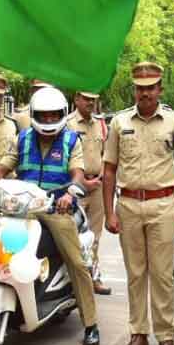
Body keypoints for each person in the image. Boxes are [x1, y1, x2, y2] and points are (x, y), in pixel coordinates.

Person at [0, 86, 101, 345]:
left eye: (53, 115)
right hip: (20, 208)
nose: (48, 120)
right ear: (35, 114)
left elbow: (77, 173)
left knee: (76, 261)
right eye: (43, 115)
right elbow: (4, 166)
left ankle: (91, 323)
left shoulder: (72, 140)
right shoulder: (23, 137)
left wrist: (70, 195)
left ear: (62, 114)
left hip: (54, 209)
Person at [102, 62, 174, 345]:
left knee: (162, 275)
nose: (145, 93)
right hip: (128, 205)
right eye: (141, 88)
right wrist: (108, 213)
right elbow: (109, 169)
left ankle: (166, 338)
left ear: (160, 89)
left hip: (163, 205)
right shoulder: (118, 123)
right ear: (135, 90)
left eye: (151, 87)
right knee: (135, 274)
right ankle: (138, 335)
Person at [65, 90, 111, 295]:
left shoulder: (100, 124)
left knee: (95, 236)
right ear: (76, 99)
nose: (90, 103)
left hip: (97, 187)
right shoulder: (68, 124)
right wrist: (83, 182)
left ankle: (95, 277)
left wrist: (100, 178)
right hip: (76, 187)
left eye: (93, 100)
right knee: (74, 235)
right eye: (86, 99)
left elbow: (107, 154)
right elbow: (64, 157)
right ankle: (75, 281)